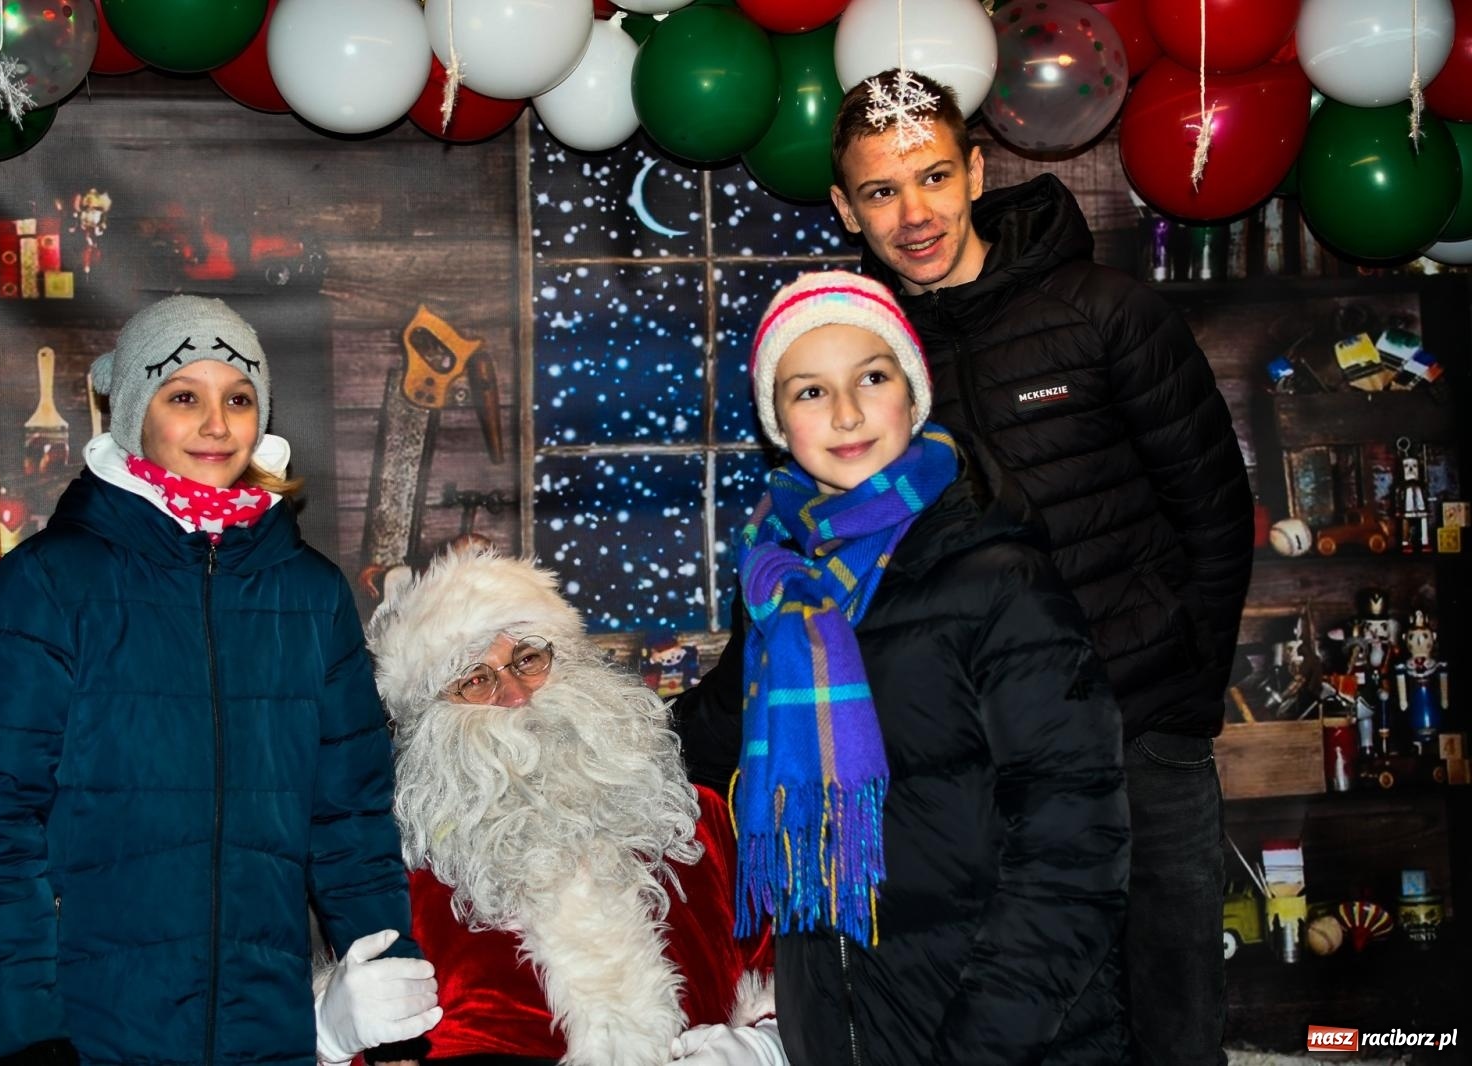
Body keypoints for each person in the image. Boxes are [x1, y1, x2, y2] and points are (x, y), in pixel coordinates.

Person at [814, 69, 1250, 1066]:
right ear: (845, 208)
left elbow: (1216, 511)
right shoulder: (857, 365)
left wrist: (1178, 694)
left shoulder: (1106, 312)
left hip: (1141, 738)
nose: (912, 212)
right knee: (1032, 1034)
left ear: (974, 169)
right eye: (879, 190)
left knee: (1173, 1023)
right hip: (981, 774)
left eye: (931, 176)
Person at [0, 295, 441, 1066]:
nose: (216, 424)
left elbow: (350, 820)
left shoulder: (309, 593)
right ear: (135, 412)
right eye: (183, 397)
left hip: (265, 1029)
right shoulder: (46, 584)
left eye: (238, 398)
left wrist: (393, 993)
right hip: (91, 1030)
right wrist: (24, 1036)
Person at [678, 270, 1130, 1065]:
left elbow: (1074, 843)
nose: (846, 414)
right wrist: (541, 699)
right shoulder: (784, 590)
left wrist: (981, 1049)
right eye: (810, 391)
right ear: (777, 422)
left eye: (872, 378)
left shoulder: (998, 580)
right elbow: (697, 736)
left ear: (913, 397)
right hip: (843, 1034)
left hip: (1004, 1041)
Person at [363, 543, 787, 1066]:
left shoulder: (695, 825)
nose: (516, 695)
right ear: (430, 718)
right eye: (476, 680)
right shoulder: (406, 886)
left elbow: (779, 976)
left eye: (528, 659)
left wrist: (763, 1045)